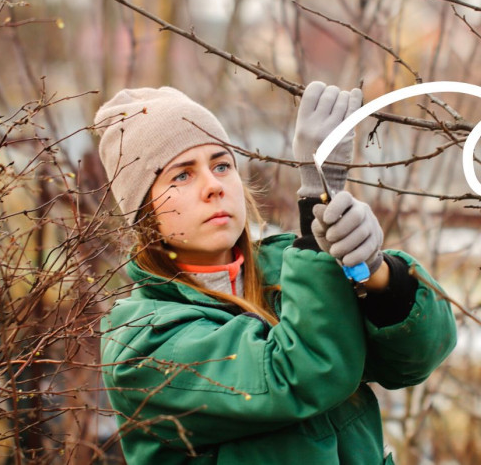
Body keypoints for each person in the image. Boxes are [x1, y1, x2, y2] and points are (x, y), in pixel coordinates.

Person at [95, 83, 456, 464]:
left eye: (222, 165)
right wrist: (315, 208)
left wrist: (376, 271)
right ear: (143, 215)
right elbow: (297, 376)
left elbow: (416, 357)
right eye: (182, 176)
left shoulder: (287, 269)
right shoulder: (140, 345)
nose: (214, 186)